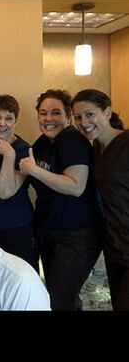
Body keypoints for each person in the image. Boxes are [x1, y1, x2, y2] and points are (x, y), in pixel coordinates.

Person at [19, 89, 103, 311]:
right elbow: (26, 160)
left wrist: (34, 170)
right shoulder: (44, 143)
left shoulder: (71, 139)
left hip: (76, 236)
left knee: (57, 300)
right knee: (63, 298)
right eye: (43, 113)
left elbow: (76, 186)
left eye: (56, 112)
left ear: (68, 117)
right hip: (50, 232)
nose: (48, 119)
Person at [72, 89, 129, 310]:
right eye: (78, 117)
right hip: (114, 246)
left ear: (107, 112)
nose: (84, 122)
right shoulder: (95, 147)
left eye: (89, 114)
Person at [0, 94, 39, 272]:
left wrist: (9, 155)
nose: (2, 123)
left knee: (21, 276)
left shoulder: (24, 151)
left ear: (15, 121)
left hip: (16, 226)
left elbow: (4, 192)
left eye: (8, 118)